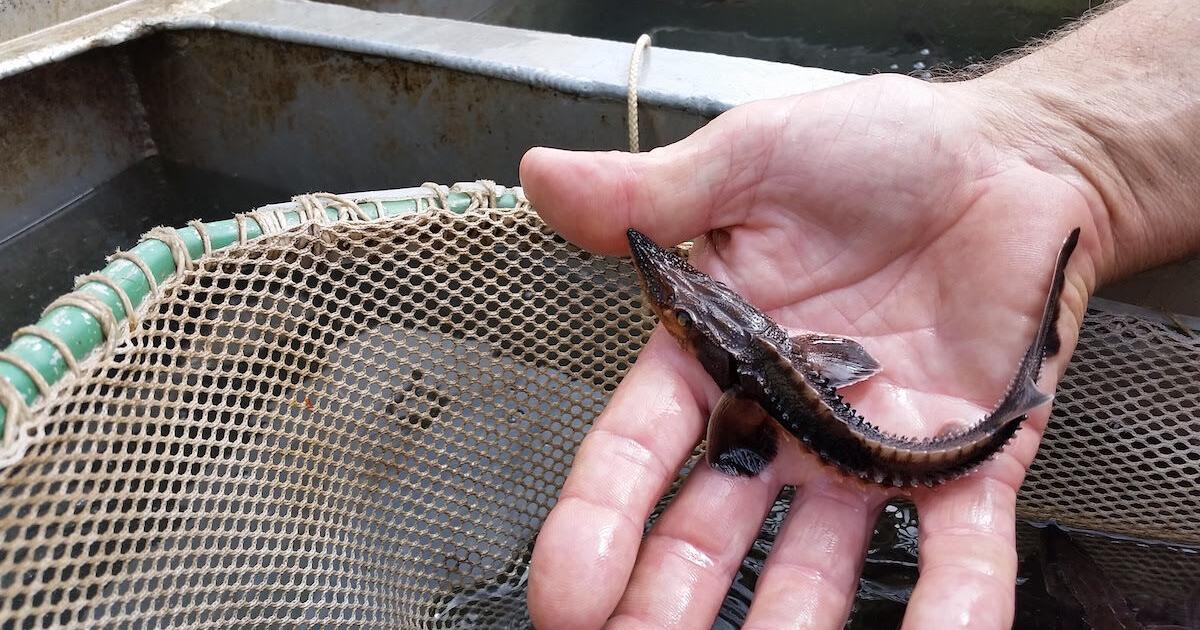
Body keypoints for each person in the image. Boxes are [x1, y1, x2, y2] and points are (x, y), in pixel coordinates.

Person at [517, 0, 1200, 627]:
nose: (670, 297)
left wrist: (734, 448)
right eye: (673, 302)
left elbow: (744, 434)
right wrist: (1075, 153)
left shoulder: (746, 391)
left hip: (892, 442)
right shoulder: (764, 362)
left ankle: (1003, 409)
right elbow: (818, 369)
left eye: (679, 301)